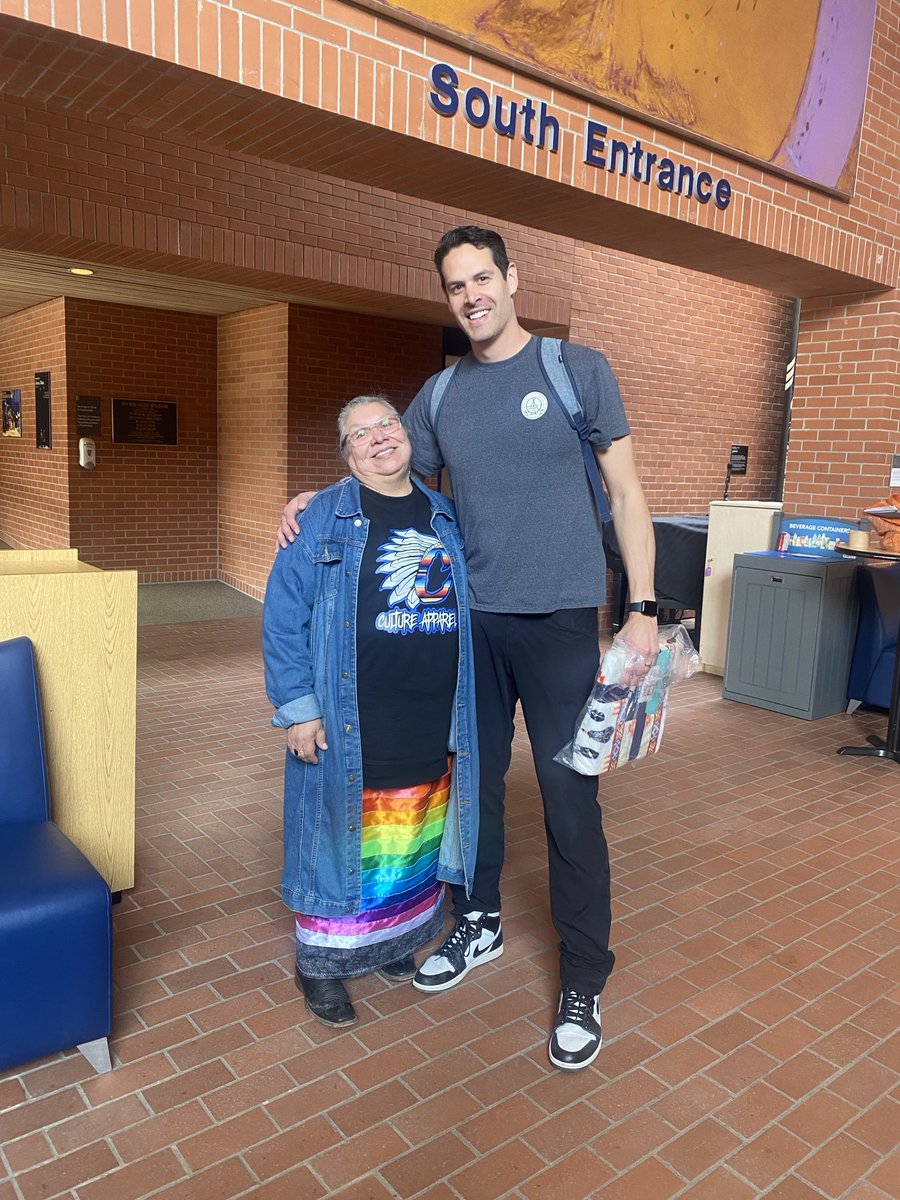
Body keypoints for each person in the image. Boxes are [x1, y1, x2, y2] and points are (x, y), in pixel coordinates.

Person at [278, 227, 657, 1069]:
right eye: (456, 285)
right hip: (474, 627)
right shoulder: (441, 395)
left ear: (511, 279)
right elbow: (385, 459)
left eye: (483, 277)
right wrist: (315, 492)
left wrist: (642, 606)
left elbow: (628, 492)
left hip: (560, 622)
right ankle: (478, 919)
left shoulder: (575, 369)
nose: (472, 294)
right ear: (447, 298)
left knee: (569, 801)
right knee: (474, 786)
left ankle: (584, 977)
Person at [263, 394, 478, 1028]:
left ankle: (389, 941)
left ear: (406, 434)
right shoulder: (319, 518)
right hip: (351, 711)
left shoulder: (444, 515)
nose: (379, 436)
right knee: (338, 829)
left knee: (409, 825)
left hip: (430, 710)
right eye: (361, 432)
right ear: (348, 453)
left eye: (387, 423)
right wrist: (299, 709)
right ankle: (323, 965)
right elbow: (283, 621)